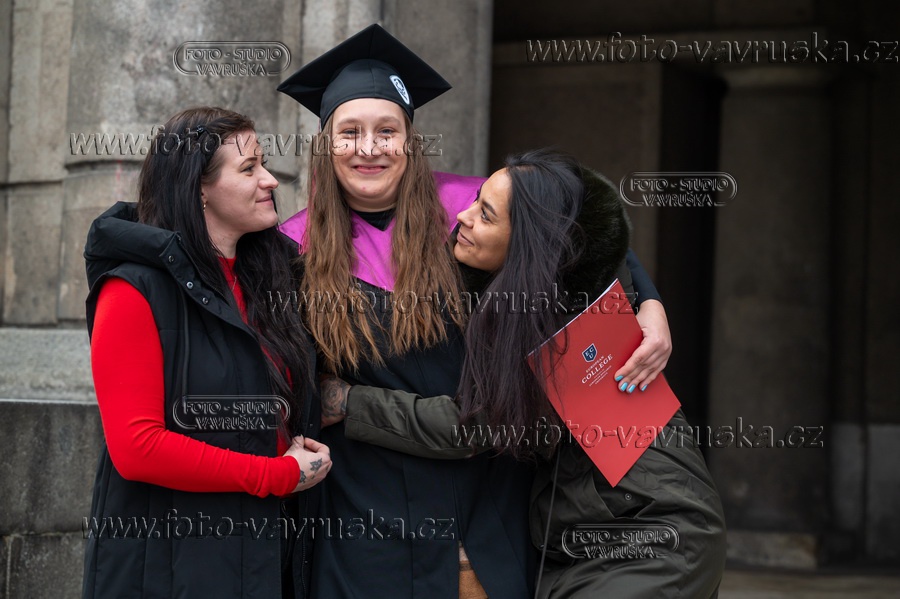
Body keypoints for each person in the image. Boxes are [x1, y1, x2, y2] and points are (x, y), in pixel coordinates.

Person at [277, 24, 673, 598]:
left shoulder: (473, 207)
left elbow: (583, 237)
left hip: (489, 490)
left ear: (410, 140)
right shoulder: (291, 249)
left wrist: (649, 304)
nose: (369, 148)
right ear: (326, 143)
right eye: (350, 132)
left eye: (387, 130)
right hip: (364, 509)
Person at [325, 149, 727, 598]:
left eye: (486, 214)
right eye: (476, 201)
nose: (463, 216)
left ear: (529, 241)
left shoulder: (566, 325)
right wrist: (653, 303)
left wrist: (349, 402)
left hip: (654, 532)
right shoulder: (535, 285)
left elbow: (468, 429)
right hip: (580, 538)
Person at [82, 107, 331, 599]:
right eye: (249, 168)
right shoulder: (132, 290)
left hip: (263, 555)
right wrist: (277, 474)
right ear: (198, 187)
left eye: (264, 163)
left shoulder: (270, 280)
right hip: (167, 566)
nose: (270, 180)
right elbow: (137, 448)